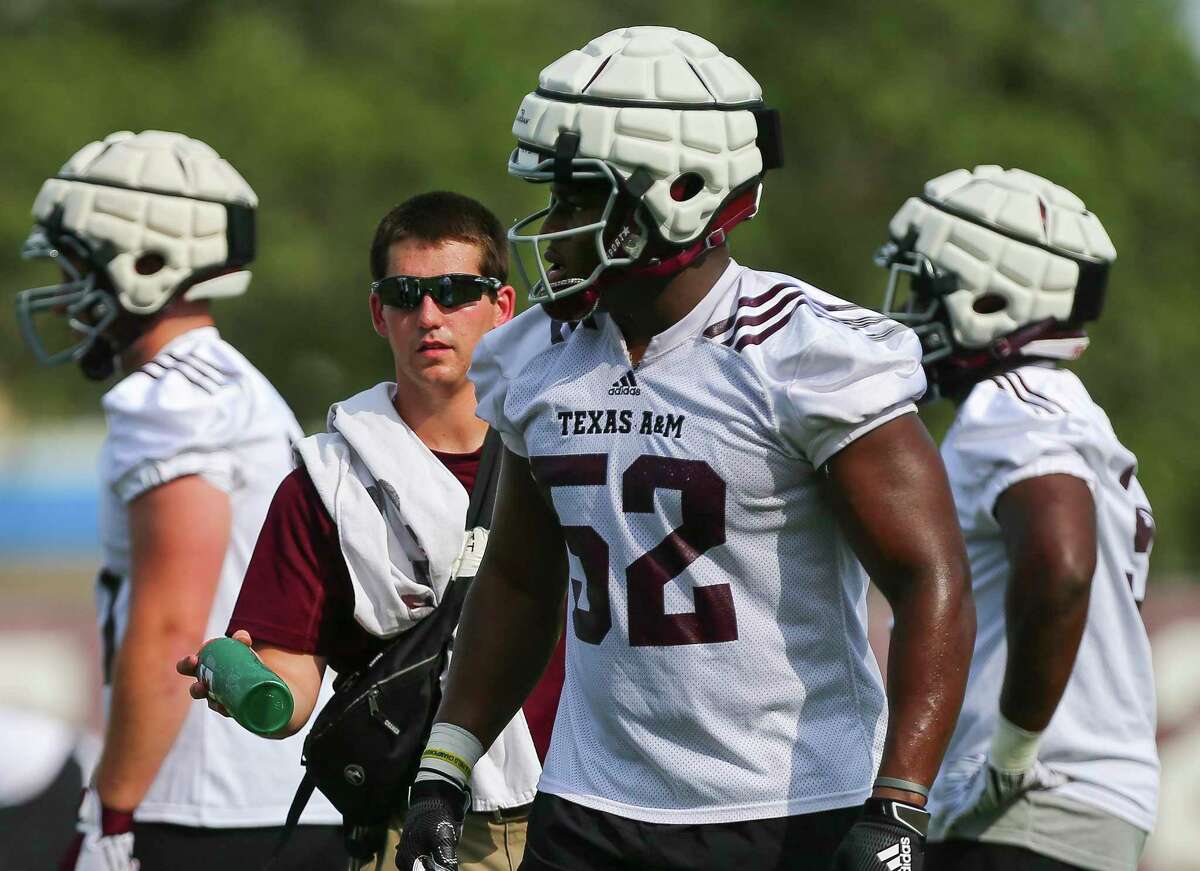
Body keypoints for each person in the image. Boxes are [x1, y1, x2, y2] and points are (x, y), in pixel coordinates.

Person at [398, 26, 976, 871]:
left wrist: (900, 805)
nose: (550, 229)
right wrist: (445, 765)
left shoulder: (805, 354)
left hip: (784, 806)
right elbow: (522, 578)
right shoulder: (536, 359)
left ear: (673, 191)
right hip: (590, 803)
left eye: (574, 198)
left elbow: (932, 575)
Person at [178, 191, 565, 871]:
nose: (429, 315)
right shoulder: (325, 478)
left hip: (585, 812)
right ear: (376, 311)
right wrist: (243, 683)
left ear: (503, 306)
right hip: (422, 826)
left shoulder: (572, 446)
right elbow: (294, 688)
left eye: (454, 291)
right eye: (405, 292)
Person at [14, 130, 343, 870]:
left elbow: (169, 626)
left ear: (143, 263)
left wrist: (114, 811)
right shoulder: (229, 383)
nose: (66, 292)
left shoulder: (167, 402)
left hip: (213, 810)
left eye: (77, 266)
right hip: (271, 796)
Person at [874, 166, 1159, 870]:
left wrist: (1009, 754)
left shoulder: (1007, 404)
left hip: (1029, 807)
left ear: (989, 297)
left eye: (926, 290)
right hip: (1083, 804)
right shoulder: (1068, 406)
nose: (910, 311)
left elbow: (1061, 566)